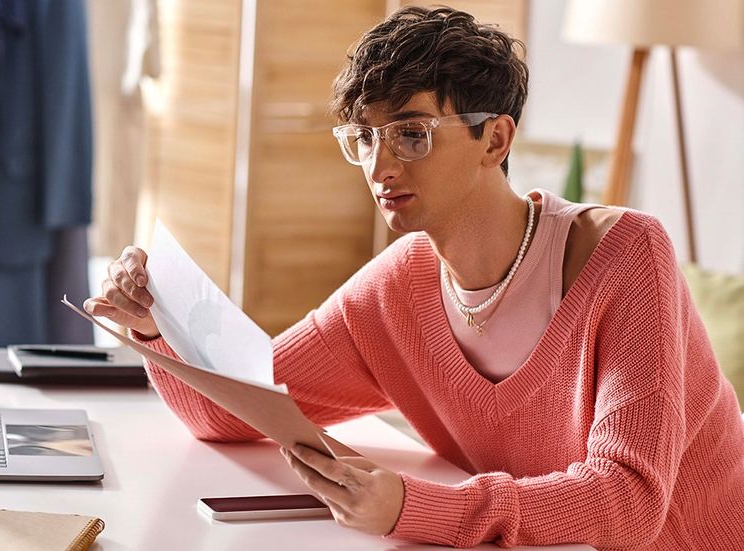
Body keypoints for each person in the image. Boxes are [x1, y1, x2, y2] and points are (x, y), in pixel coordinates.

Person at [84, 6, 744, 548]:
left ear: (496, 140)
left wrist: (417, 506)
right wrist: (155, 322)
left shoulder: (625, 253)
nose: (380, 165)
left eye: (412, 134)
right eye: (364, 138)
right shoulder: (398, 290)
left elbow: (628, 501)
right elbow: (240, 408)